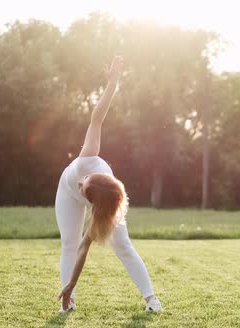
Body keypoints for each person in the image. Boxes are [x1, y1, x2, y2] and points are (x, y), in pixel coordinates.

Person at [56, 56, 161, 313]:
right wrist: (113, 82)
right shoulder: (87, 161)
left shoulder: (105, 209)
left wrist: (72, 282)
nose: (81, 180)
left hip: (102, 203)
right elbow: (97, 117)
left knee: (123, 244)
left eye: (83, 186)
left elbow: (85, 248)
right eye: (85, 181)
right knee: (68, 242)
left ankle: (152, 300)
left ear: (94, 205)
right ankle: (68, 305)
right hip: (65, 193)